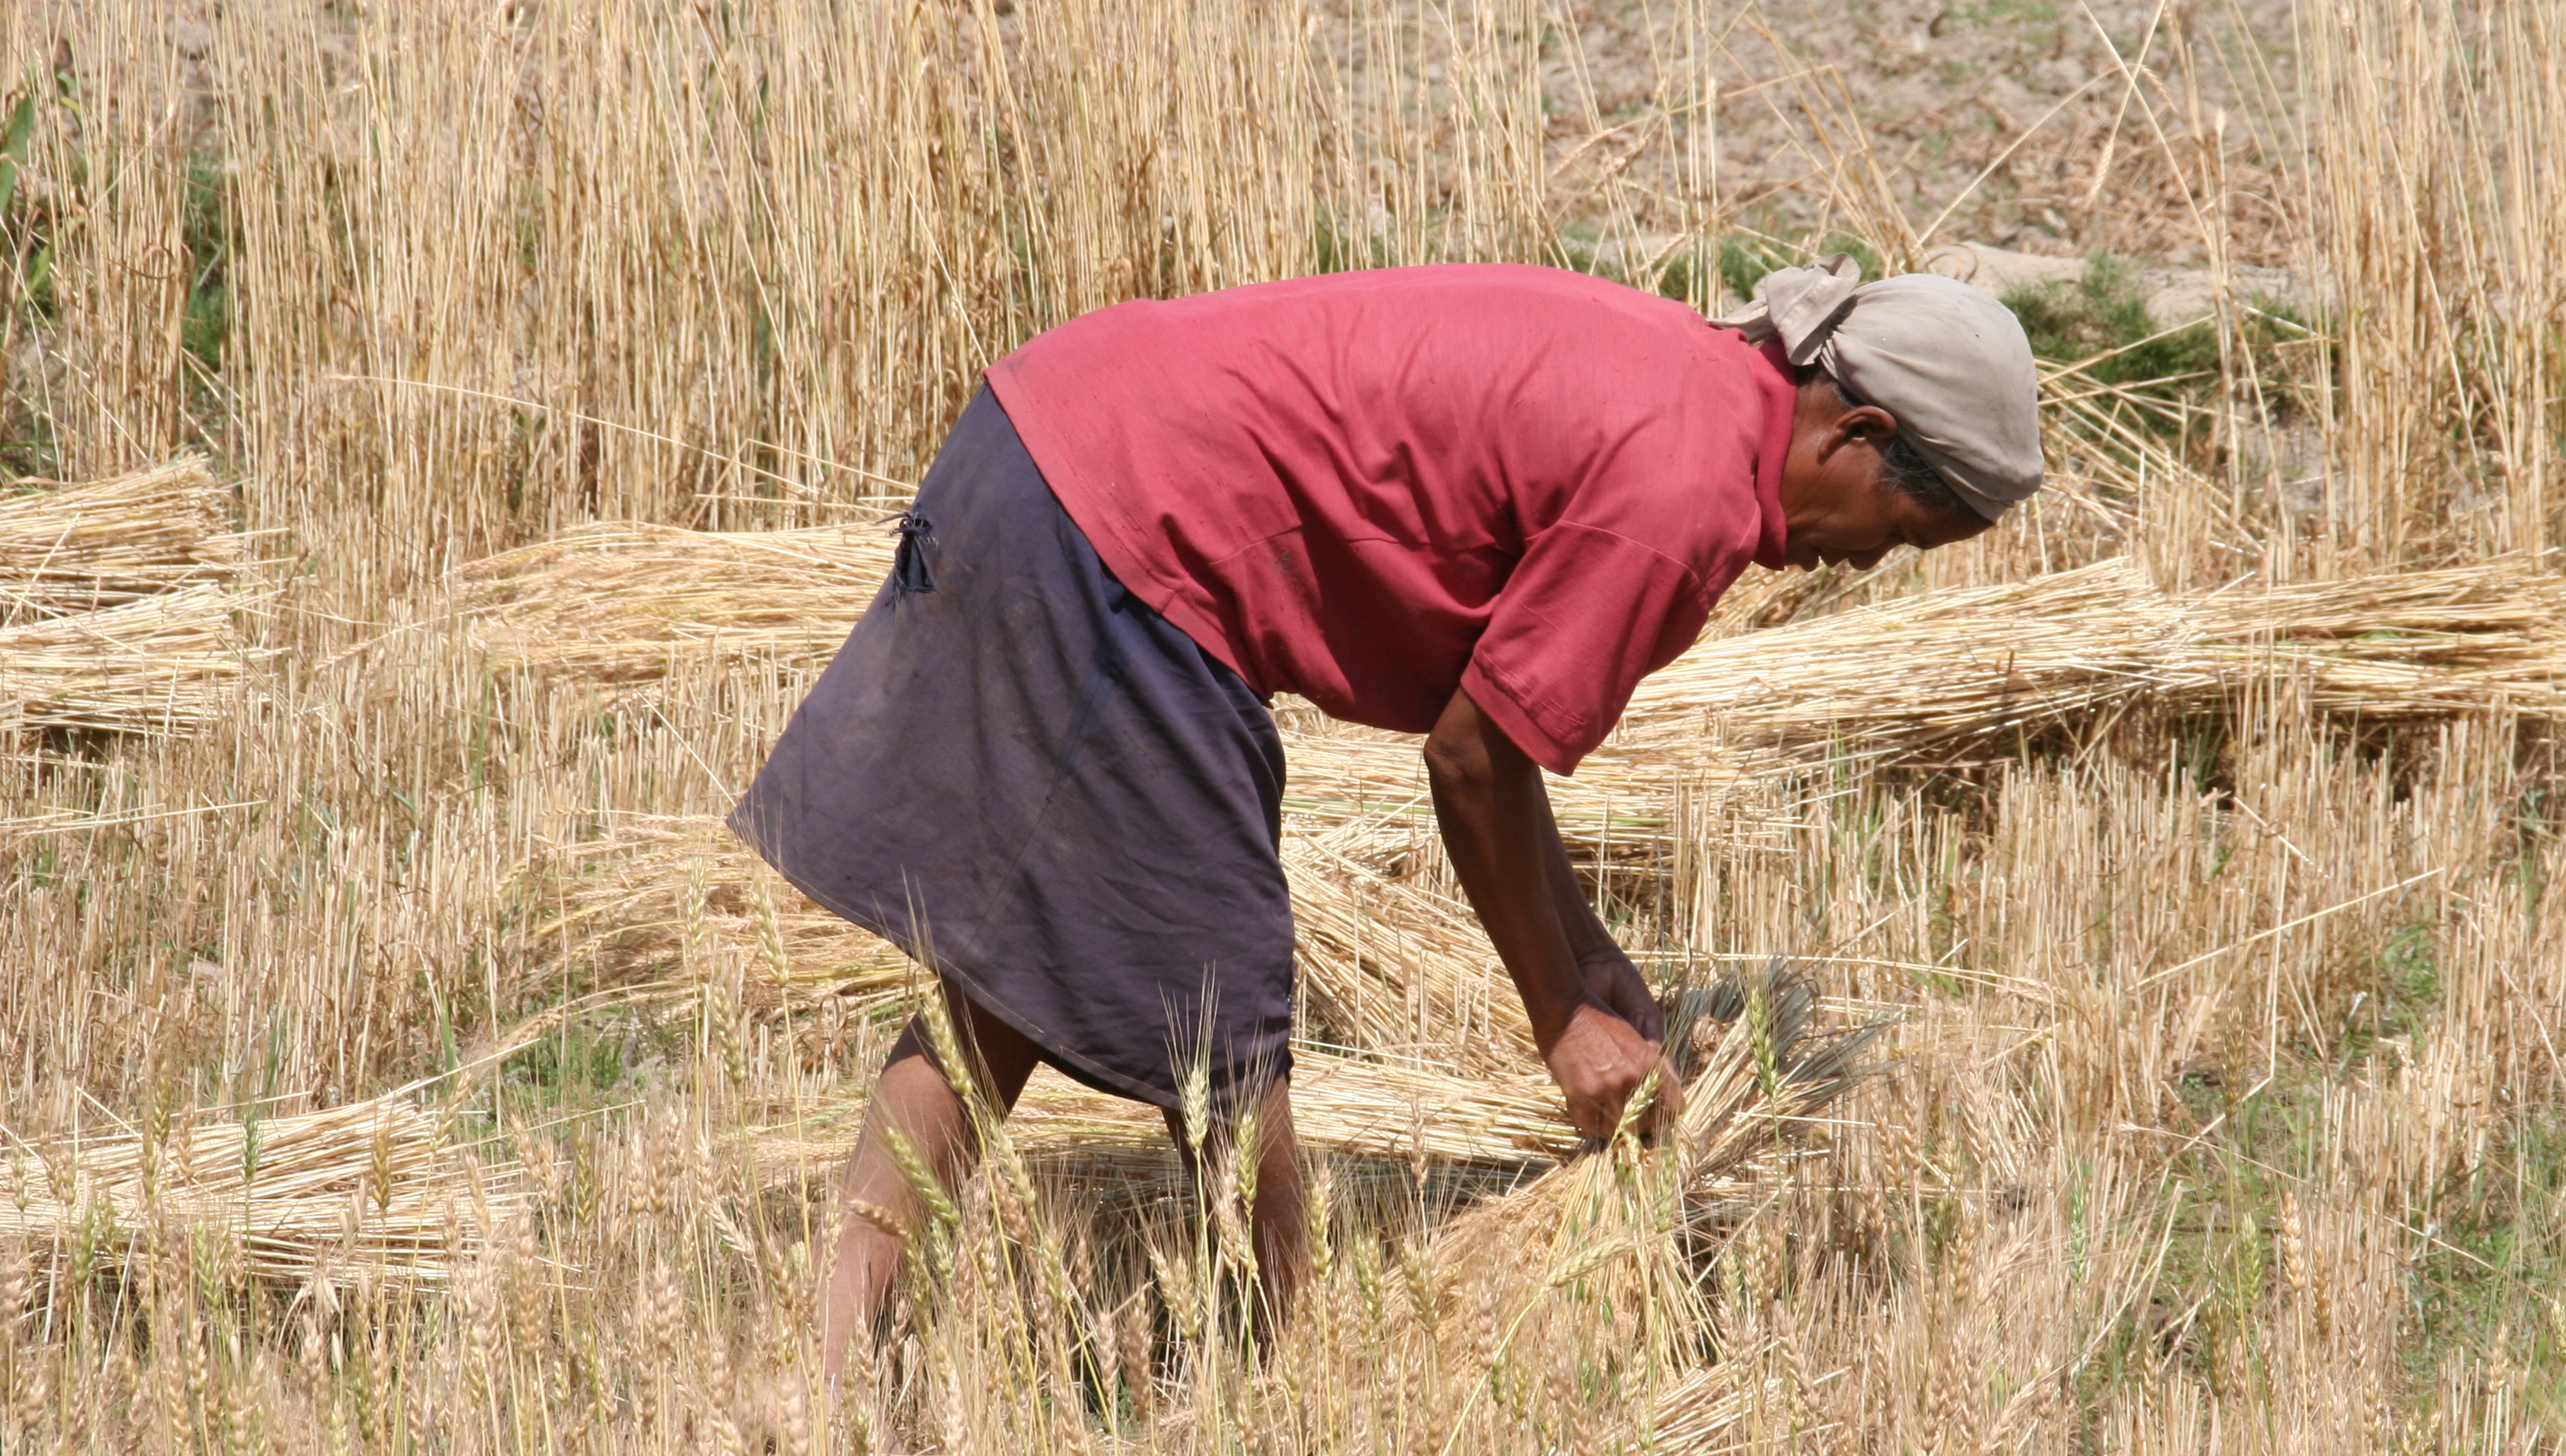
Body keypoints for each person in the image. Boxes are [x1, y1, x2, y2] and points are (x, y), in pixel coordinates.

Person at [726, 254, 2044, 1379]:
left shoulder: (1693, 383)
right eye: (1898, 531)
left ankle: (827, 1379)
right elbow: (1469, 761)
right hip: (1136, 532)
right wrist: (1562, 1017)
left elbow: (1497, 748)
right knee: (1224, 1019)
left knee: (1012, 963)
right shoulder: (1684, 498)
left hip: (1054, 436)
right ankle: (1276, 1379)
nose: (1862, 561)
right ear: (1857, 435)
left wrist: (1583, 951)